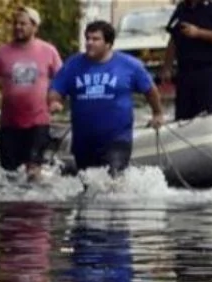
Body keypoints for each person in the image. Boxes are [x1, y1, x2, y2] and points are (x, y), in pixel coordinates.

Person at [47, 21, 166, 176]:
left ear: (108, 43)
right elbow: (56, 89)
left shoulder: (129, 65)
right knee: (89, 185)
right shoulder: (73, 65)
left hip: (117, 138)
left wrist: (157, 113)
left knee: (113, 179)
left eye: (95, 39)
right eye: (87, 39)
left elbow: (150, 90)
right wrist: (54, 102)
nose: (89, 43)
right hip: (84, 140)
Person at [0, 7, 63, 178]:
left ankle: (35, 203)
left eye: (23, 23)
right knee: (10, 174)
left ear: (35, 27)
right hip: (9, 123)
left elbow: (62, 80)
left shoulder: (48, 51)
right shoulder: (2, 52)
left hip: (39, 121)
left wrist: (56, 100)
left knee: (33, 170)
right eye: (15, 23)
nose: (18, 27)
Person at [162, 0, 212, 121]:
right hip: (185, 73)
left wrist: (198, 33)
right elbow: (173, 39)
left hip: (209, 73)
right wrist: (167, 67)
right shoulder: (182, 8)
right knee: (183, 118)